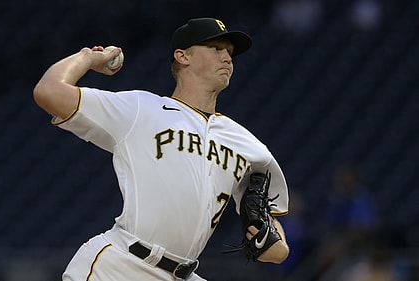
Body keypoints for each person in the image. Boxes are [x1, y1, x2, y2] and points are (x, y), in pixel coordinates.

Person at [33, 17, 290, 280]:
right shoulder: (140, 109)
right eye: (216, 49)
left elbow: (268, 217)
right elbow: (49, 91)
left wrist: (277, 243)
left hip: (185, 273)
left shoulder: (247, 144)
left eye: (229, 52)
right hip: (121, 266)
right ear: (182, 56)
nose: (227, 58)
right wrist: (88, 57)